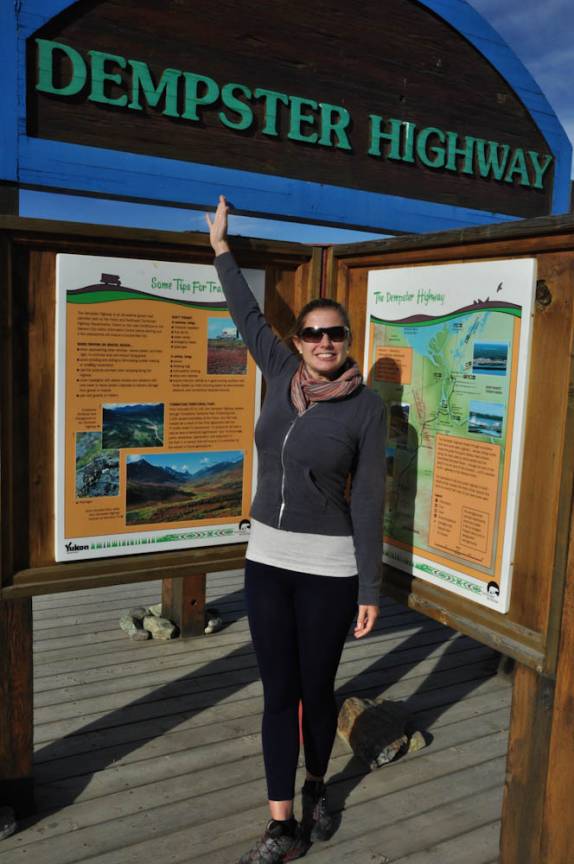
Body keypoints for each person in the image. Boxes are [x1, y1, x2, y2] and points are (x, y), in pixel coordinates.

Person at [206, 196, 387, 863]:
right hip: (268, 560)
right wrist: (222, 247)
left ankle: (318, 788)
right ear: (300, 341)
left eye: (333, 333)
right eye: (312, 332)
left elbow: (367, 498)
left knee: (317, 688)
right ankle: (281, 822)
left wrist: (370, 585)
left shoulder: (366, 409)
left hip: (331, 567)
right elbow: (246, 314)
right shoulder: (280, 371)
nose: (321, 342)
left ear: (347, 341)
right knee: (279, 691)